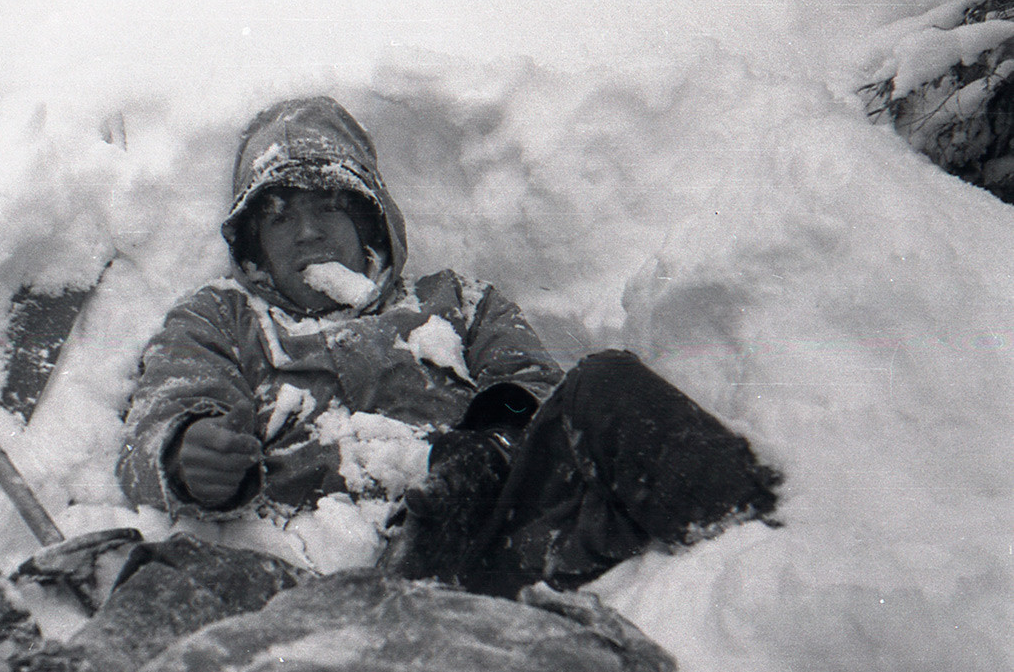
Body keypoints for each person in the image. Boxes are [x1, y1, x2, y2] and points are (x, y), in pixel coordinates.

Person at [115, 95, 780, 595]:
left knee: (610, 387)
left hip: (488, 538)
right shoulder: (223, 314)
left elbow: (536, 390)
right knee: (160, 583)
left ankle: (763, 580)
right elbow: (167, 404)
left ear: (368, 215)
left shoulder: (456, 300)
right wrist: (184, 450)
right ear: (254, 244)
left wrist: (484, 454)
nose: (305, 232)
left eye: (326, 207)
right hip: (311, 579)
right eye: (278, 216)